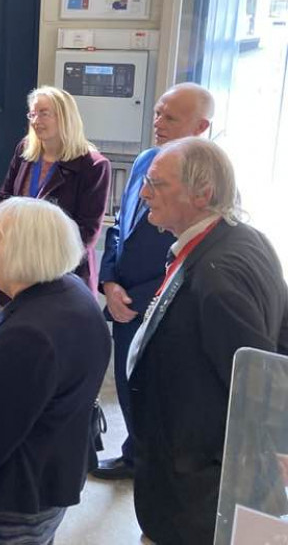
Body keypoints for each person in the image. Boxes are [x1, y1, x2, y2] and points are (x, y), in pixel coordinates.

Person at [129, 137, 288, 545]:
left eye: (157, 184)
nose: (144, 193)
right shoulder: (247, 237)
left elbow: (259, 384)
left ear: (203, 194)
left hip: (195, 486)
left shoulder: (216, 277)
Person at [0, 197, 111, 545]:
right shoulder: (71, 293)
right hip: (49, 476)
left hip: (7, 498)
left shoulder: (29, 337)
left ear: (23, 252)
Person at [93, 82, 214, 481]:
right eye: (158, 112)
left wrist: (137, 300)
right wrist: (109, 282)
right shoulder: (146, 160)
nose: (158, 122)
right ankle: (134, 455)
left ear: (200, 127)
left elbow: (194, 255)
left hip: (158, 306)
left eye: (171, 117)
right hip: (122, 299)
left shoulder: (206, 186)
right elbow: (119, 229)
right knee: (128, 385)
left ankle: (152, 468)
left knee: (155, 392)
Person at [0, 85, 110, 295]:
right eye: (32, 113)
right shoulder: (25, 149)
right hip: (18, 263)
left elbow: (86, 232)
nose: (36, 121)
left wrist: (41, 257)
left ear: (65, 117)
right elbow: (5, 197)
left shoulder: (93, 165)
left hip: (61, 274)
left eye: (44, 114)